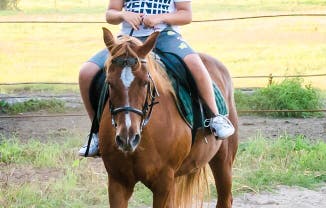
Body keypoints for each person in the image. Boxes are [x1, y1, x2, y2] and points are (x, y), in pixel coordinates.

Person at [77, 0, 235, 156]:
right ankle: (96, 133)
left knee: (194, 63)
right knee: (86, 72)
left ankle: (215, 118)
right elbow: (110, 13)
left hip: (165, 36)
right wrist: (123, 14)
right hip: (127, 39)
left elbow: (186, 14)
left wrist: (160, 18)